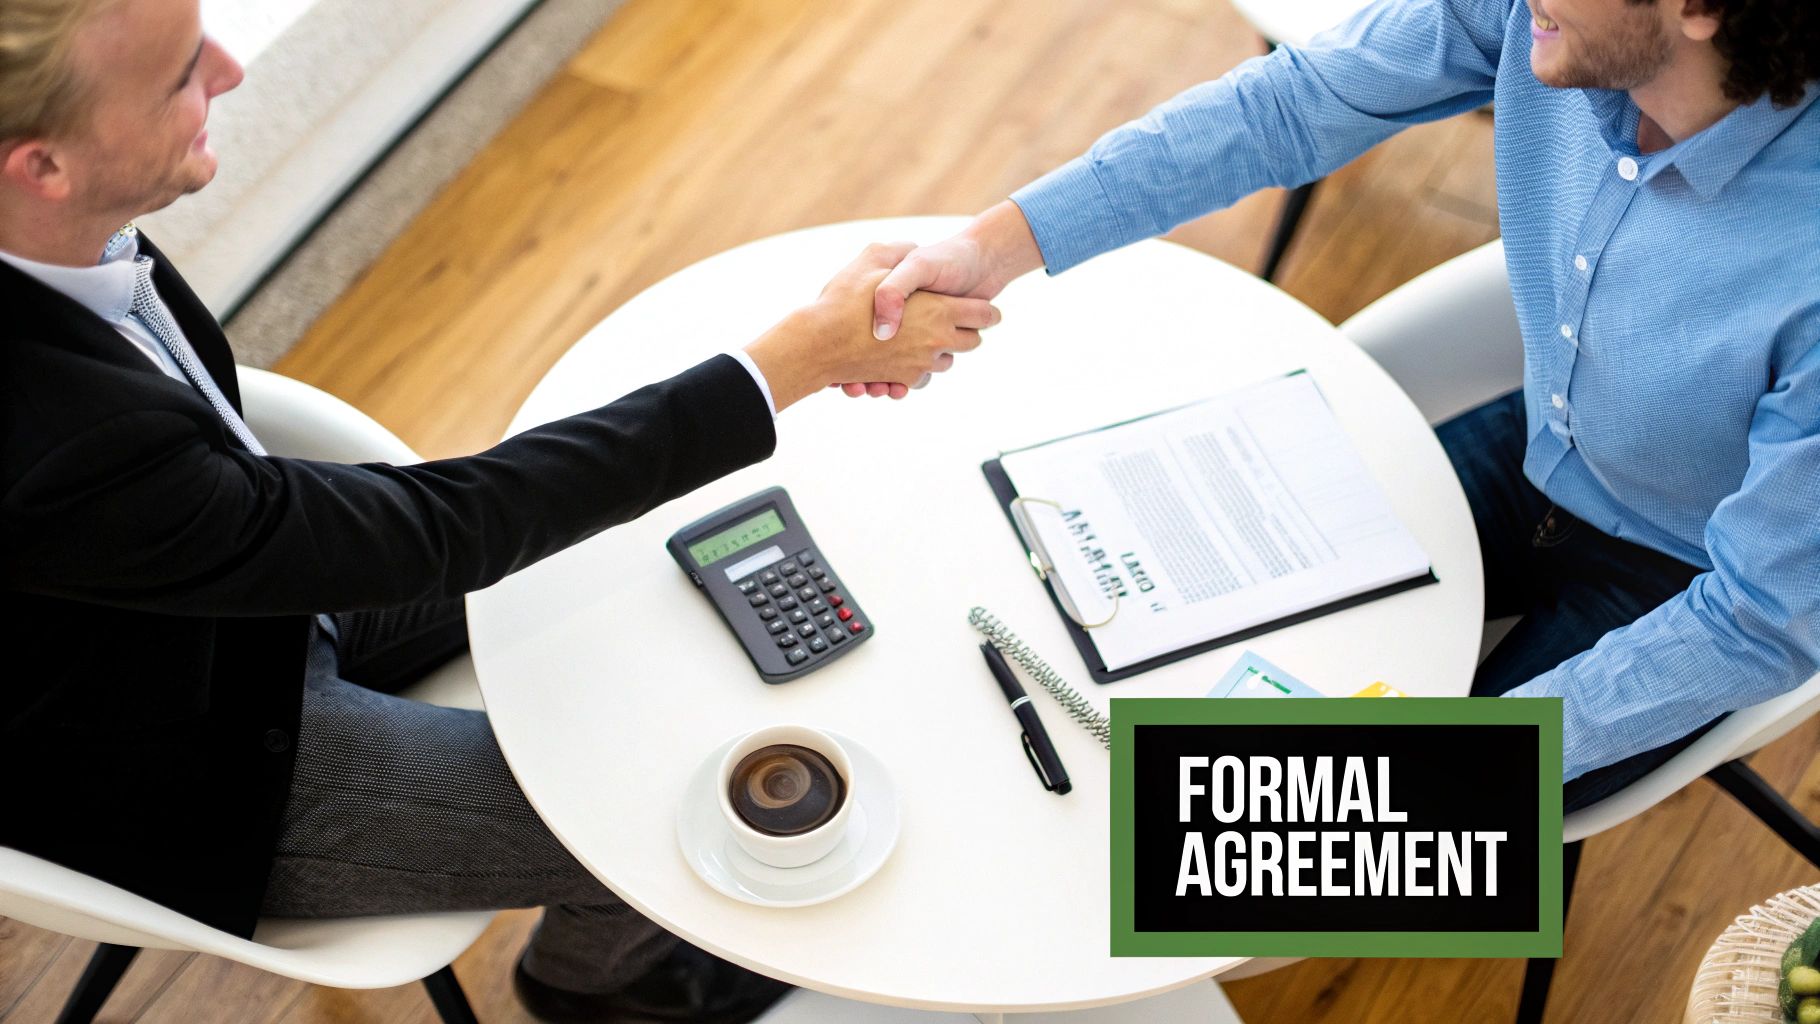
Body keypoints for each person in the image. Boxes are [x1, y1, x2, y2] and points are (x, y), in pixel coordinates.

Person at [0, 0, 996, 1021]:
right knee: (658, 812)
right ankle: (602, 979)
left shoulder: (57, 232)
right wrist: (792, 361)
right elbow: (437, 531)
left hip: (218, 592)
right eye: (177, 75)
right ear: (43, 166)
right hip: (171, 762)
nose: (229, 71)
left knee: (629, 551)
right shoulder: (57, 442)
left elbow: (304, 516)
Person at [862, 0, 1820, 809]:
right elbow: (1293, 104)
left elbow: (1757, 620)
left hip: (1688, 584)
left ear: (1701, 8)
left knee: (1298, 855)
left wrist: (1449, 764)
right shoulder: (1547, 19)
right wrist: (995, 247)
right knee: (1130, 593)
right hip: (1547, 449)